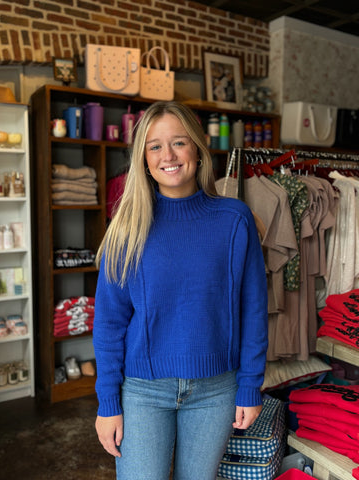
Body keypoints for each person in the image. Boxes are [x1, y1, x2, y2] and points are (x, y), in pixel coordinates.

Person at [93, 101, 268, 480]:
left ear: (198, 149)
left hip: (216, 391)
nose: (168, 156)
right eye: (154, 146)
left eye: (178, 142)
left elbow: (253, 309)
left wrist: (250, 386)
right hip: (142, 393)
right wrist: (108, 402)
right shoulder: (127, 226)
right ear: (142, 158)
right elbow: (109, 322)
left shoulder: (234, 219)